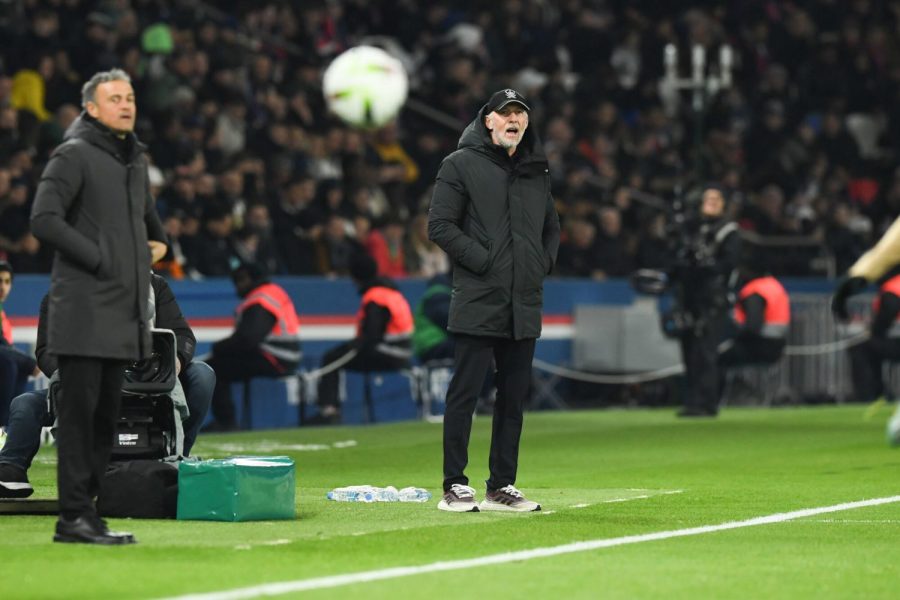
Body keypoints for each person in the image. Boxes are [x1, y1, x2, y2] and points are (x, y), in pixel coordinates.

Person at [30, 69, 167, 545]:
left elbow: (143, 214)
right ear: (91, 107)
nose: (126, 104)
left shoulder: (133, 159)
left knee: (107, 416)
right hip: (84, 308)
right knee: (80, 416)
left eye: (130, 96)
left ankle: (89, 513)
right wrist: (101, 257)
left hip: (122, 311)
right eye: (114, 98)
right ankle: (72, 517)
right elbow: (43, 219)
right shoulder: (73, 154)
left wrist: (159, 239)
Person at [427, 88, 560, 512]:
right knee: (464, 393)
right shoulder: (459, 164)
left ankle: (502, 484)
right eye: (506, 112)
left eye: (520, 112)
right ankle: (454, 484)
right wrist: (485, 262)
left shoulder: (536, 171)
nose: (514, 118)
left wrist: (539, 266)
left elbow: (551, 228)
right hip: (480, 297)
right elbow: (440, 226)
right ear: (489, 120)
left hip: (523, 301)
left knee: (513, 398)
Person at [0, 274, 215, 498]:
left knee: (202, 375)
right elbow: (45, 351)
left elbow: (183, 336)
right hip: (86, 386)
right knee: (25, 404)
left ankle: (177, 460)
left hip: (151, 385)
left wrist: (175, 363)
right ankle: (10, 470)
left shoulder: (153, 286)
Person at [309, 252, 414, 425]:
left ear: (355, 276)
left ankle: (328, 411)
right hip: (404, 351)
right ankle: (330, 410)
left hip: (388, 352)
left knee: (332, 358)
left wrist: (356, 344)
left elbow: (372, 334)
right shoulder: (391, 291)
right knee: (339, 355)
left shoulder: (374, 296)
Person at [667, 185, 741, 418]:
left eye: (717, 199)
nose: (712, 203)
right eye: (708, 198)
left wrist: (707, 266)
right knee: (689, 348)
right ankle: (692, 400)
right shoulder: (689, 229)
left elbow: (729, 263)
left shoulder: (729, 231)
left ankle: (707, 402)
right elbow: (676, 259)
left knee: (706, 350)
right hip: (688, 295)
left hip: (712, 297)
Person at [204, 261, 301, 431]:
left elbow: (248, 339)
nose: (237, 288)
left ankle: (226, 422)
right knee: (219, 363)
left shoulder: (260, 300)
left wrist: (219, 347)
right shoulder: (272, 292)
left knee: (214, 369)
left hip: (274, 357)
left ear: (247, 279)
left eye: (238, 282)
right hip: (285, 355)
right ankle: (226, 421)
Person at [831, 220, 900, 445]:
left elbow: (881, 255)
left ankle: (873, 395)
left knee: (864, 347)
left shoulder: (893, 287)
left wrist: (846, 290)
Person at [720, 263, 790, 369]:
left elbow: (753, 326)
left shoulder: (755, 291)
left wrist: (736, 335)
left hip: (760, 345)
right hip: (777, 345)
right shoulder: (773, 285)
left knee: (717, 358)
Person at [0, 261, 38, 427]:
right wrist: (30, 363)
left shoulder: (2, 315)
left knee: (17, 367)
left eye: (7, 282)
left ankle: (11, 427)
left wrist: (26, 364)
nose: (3, 286)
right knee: (10, 364)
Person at [412, 271, 454, 364]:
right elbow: (449, 321)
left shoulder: (431, 296)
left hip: (428, 345)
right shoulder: (438, 295)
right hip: (434, 344)